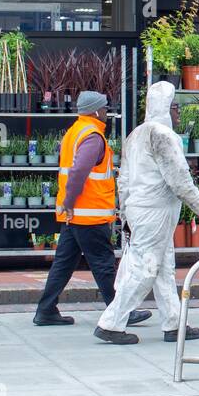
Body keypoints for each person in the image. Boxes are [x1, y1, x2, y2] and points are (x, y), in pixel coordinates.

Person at [95, 81, 199, 345]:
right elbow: (179, 179)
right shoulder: (164, 136)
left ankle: (174, 323)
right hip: (156, 212)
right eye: (175, 106)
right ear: (165, 107)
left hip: (140, 210)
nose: (178, 112)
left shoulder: (135, 135)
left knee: (163, 269)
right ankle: (111, 322)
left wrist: (125, 213)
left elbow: (124, 180)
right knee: (145, 269)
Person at [34, 90, 150, 329]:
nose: (107, 112)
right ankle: (121, 312)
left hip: (75, 215)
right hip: (89, 214)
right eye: (105, 108)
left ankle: (46, 310)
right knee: (104, 265)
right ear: (96, 111)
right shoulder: (93, 136)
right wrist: (70, 200)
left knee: (63, 264)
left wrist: (68, 204)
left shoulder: (74, 131)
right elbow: (78, 171)